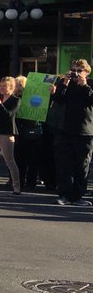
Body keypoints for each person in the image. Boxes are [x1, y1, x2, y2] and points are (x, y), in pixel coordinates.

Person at [49, 59, 93, 207]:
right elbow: (58, 99)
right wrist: (64, 83)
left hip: (84, 131)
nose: (76, 73)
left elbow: (91, 99)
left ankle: (78, 195)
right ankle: (64, 194)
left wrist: (84, 84)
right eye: (74, 70)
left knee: (82, 165)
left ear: (86, 72)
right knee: (64, 164)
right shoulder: (67, 84)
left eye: (79, 70)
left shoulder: (90, 85)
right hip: (65, 129)